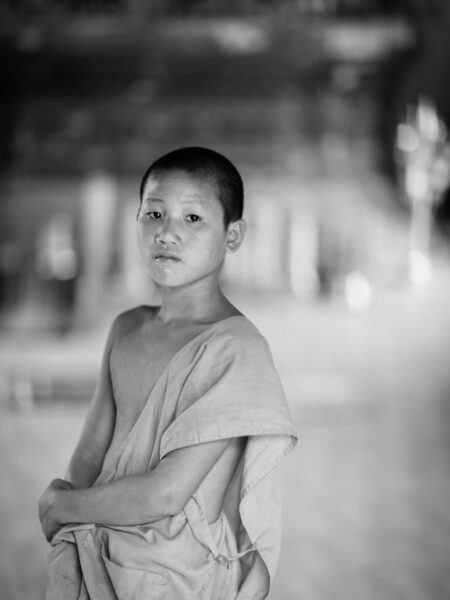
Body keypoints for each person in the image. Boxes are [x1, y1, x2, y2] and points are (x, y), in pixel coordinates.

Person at [38, 146, 297, 600]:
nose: (167, 233)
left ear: (233, 235)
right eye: (153, 214)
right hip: (95, 555)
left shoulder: (236, 350)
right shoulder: (127, 328)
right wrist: (73, 532)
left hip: (173, 578)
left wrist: (63, 505)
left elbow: (166, 495)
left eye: (192, 219)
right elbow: (89, 454)